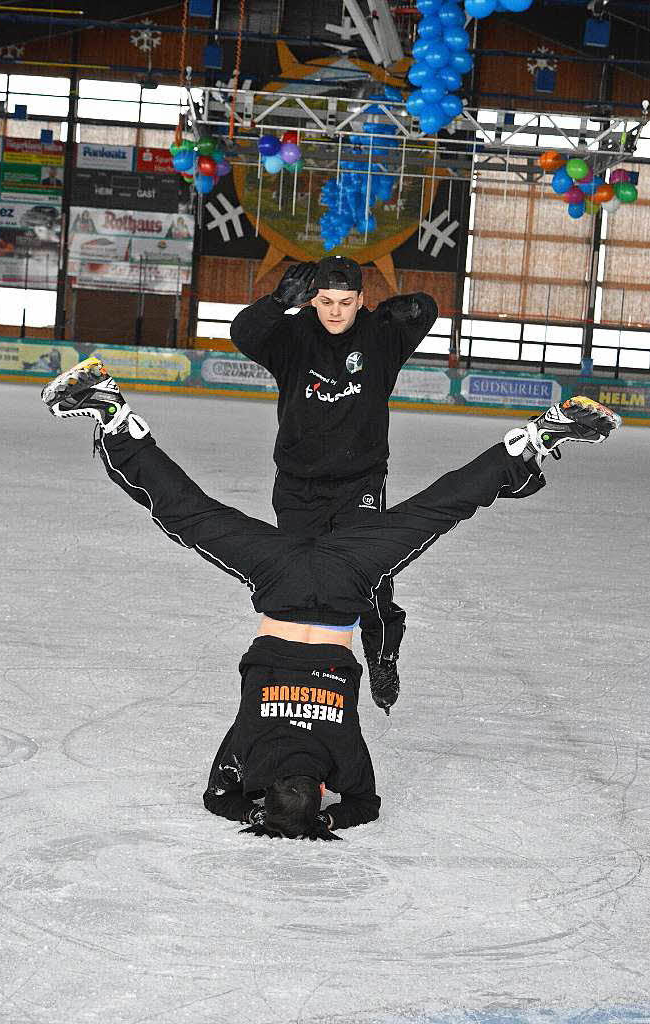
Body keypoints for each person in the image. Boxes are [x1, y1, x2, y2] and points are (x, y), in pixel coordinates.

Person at [41, 356, 621, 840]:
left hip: (344, 587)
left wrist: (325, 817)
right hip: (282, 583)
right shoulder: (251, 749)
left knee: (433, 512)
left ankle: (533, 440)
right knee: (191, 514)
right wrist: (258, 810)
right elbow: (217, 797)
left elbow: (365, 804)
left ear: (321, 791)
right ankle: (114, 416)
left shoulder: (340, 755)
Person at [230, 255, 440, 717]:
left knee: (369, 579)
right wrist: (275, 304)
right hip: (297, 485)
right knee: (297, 578)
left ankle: (382, 654)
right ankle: (294, 670)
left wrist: (396, 309)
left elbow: (427, 309)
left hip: (359, 484)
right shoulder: (291, 336)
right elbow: (242, 334)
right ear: (311, 299)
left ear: (362, 300)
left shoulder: (382, 338)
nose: (335, 312)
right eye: (325, 301)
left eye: (346, 302)